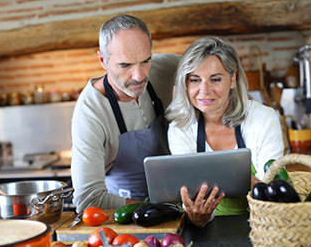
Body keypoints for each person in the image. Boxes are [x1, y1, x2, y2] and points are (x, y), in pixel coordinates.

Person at [166, 37, 284, 226]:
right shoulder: (180, 129)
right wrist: (198, 218)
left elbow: (272, 189)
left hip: (263, 225)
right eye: (195, 80)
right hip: (210, 229)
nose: (204, 91)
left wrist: (221, 179)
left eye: (215, 79)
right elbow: (192, 196)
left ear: (233, 78)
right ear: (185, 85)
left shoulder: (263, 118)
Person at [71, 14, 180, 213]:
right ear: (103, 60)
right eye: (125, 65)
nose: (139, 76)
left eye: (146, 61)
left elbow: (217, 75)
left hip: (180, 200)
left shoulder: (169, 68)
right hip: (127, 219)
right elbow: (88, 200)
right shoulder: (90, 112)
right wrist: (160, 209)